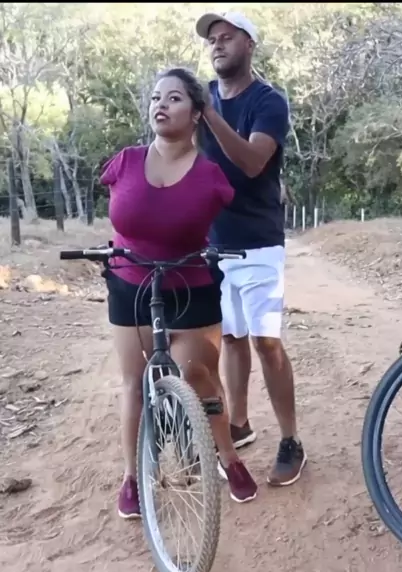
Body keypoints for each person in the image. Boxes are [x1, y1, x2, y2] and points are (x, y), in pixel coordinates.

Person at [99, 67, 258, 518]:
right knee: (134, 382)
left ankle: (229, 457)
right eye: (156, 97)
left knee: (199, 376)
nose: (161, 105)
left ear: (196, 113)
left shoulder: (211, 175)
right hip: (130, 284)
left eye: (174, 98)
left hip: (190, 286)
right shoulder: (125, 162)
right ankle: (132, 477)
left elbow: (236, 209)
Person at [195, 12, 307, 486]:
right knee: (232, 337)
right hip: (213, 243)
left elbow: (253, 162)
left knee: (266, 341)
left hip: (259, 242)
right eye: (212, 40)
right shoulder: (203, 98)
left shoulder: (268, 101)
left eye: (227, 38)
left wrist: (209, 114)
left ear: (249, 45)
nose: (217, 45)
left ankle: (291, 440)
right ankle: (239, 424)